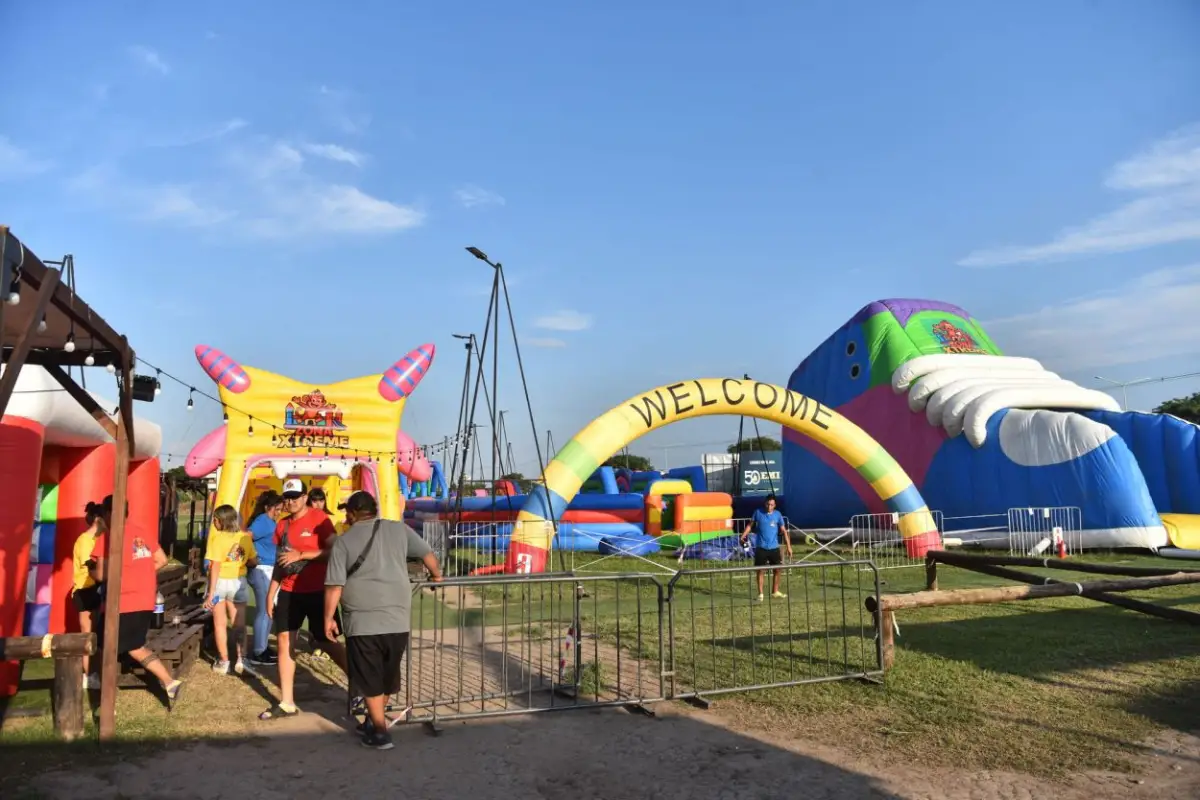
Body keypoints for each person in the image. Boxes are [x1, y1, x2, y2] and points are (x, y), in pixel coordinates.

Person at [325, 490, 443, 750]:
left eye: (347, 511)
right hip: (397, 618)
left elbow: (334, 586)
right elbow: (427, 553)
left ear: (353, 513)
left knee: (369, 676)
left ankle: (379, 731)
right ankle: (373, 720)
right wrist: (437, 576)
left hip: (362, 620)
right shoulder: (399, 530)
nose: (346, 515)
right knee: (387, 674)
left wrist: (328, 619)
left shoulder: (343, 542)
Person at [259, 478, 346, 721]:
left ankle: (359, 685)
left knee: (327, 642)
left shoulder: (320, 520)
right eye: (287, 497)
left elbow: (334, 552)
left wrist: (303, 554)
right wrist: (270, 592)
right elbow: (281, 561)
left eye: (295, 496)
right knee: (285, 641)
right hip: (289, 591)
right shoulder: (282, 525)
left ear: (305, 497)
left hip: (318, 591)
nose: (290, 501)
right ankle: (287, 702)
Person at [90, 494, 184, 708]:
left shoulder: (107, 536)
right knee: (129, 645)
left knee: (117, 647)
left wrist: (91, 570)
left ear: (106, 514)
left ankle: (104, 695)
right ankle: (169, 683)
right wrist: (137, 574)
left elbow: (102, 574)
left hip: (123, 602)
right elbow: (161, 560)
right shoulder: (141, 532)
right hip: (145, 598)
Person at [204, 504, 259, 676]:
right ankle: (242, 659)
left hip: (220, 583)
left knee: (220, 624)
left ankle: (224, 661)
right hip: (238, 582)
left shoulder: (217, 539)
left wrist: (210, 592)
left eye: (215, 519)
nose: (213, 522)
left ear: (221, 520)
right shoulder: (245, 537)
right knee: (239, 624)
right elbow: (254, 561)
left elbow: (215, 566)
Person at [245, 490, 284, 665]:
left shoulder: (269, 521)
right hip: (261, 570)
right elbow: (246, 537)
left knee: (269, 610)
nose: (279, 512)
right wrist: (252, 558)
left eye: (281, 509)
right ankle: (258, 652)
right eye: (277, 509)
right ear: (268, 507)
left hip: (269, 569)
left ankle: (263, 645)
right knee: (264, 611)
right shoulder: (263, 521)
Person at [73, 502, 105, 688]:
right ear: (98, 519)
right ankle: (88, 675)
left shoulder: (97, 539)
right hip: (85, 590)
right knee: (87, 636)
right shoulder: (84, 540)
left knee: (96, 635)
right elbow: (89, 564)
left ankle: (95, 672)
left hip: (95, 588)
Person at [740, 494, 792, 602]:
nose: (769, 507)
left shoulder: (778, 515)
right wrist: (743, 535)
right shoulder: (758, 512)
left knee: (778, 569)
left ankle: (775, 591)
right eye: (768, 504)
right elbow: (750, 525)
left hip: (774, 548)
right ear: (765, 503)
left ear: (775, 505)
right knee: (760, 570)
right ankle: (760, 594)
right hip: (761, 547)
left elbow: (784, 531)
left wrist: (789, 547)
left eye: (772, 505)